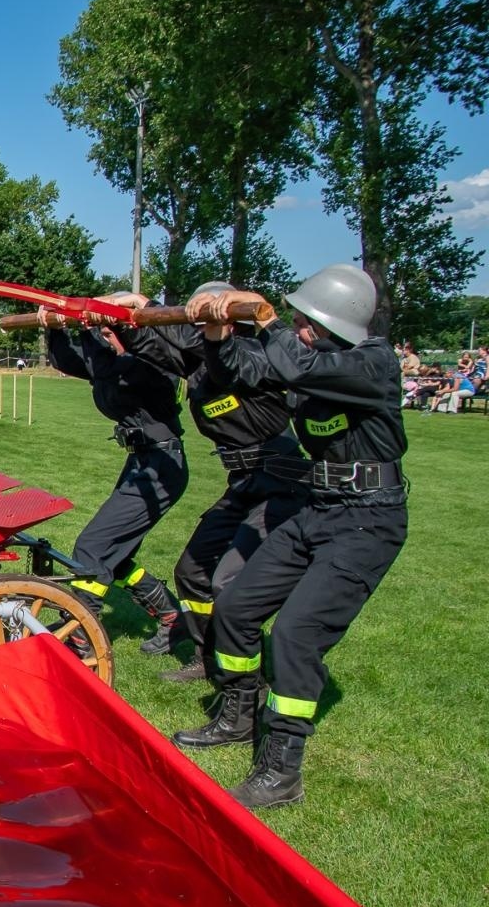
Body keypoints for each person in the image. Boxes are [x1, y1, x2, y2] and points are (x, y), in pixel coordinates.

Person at [174, 265, 407, 810]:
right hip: (317, 507)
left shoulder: (373, 365)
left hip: (368, 521)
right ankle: (238, 712)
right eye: (297, 321)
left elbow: (291, 360)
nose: (299, 328)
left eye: (307, 321)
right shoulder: (310, 359)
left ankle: (282, 769)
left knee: (297, 635)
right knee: (233, 606)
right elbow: (242, 371)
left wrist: (266, 318)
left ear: (334, 325)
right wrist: (216, 336)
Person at [116, 285, 308, 682]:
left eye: (204, 321)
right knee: (192, 571)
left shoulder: (253, 356)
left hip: (282, 483)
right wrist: (126, 322)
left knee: (228, 583)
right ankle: (207, 657)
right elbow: (155, 348)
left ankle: (240, 681)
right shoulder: (200, 366)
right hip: (244, 483)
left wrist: (150, 306)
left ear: (227, 323)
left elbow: (215, 357)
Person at [38, 299, 190, 654]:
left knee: (92, 546)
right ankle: (172, 618)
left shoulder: (152, 364)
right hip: (142, 463)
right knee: (114, 556)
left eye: (112, 332)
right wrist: (56, 329)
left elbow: (102, 362)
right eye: (104, 334)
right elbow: (71, 361)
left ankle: (80, 636)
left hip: (161, 467)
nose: (107, 340)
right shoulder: (110, 363)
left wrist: (85, 325)